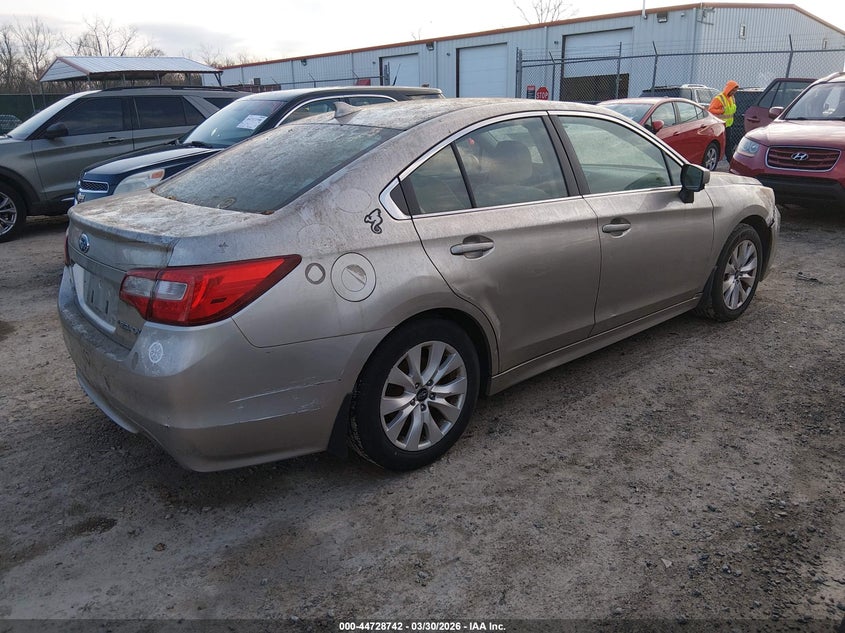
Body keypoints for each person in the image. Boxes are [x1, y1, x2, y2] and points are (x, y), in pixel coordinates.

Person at [709, 80, 739, 158]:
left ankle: (730, 160)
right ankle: (731, 161)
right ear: (729, 89)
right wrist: (721, 111)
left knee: (728, 144)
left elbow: (731, 111)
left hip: (728, 125)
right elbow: (711, 110)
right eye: (733, 90)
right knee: (727, 145)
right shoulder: (719, 98)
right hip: (721, 125)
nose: (734, 92)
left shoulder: (732, 98)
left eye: (735, 91)